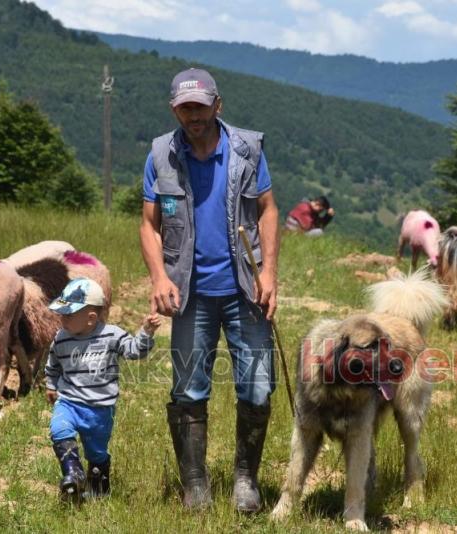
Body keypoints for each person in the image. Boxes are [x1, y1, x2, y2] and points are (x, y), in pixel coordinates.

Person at [139, 67, 280, 512]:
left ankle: (246, 481)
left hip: (246, 288)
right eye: (185, 107)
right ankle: (195, 485)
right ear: (174, 109)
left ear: (218, 105)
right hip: (190, 293)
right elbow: (148, 224)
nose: (193, 115)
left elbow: (268, 211)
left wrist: (270, 273)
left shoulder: (248, 150)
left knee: (256, 387)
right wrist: (159, 277)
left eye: (201, 105)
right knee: (188, 390)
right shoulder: (162, 155)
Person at [45, 277, 161, 501]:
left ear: (91, 318)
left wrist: (146, 332)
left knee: (96, 452)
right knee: (59, 430)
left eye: (68, 314)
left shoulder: (111, 335)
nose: (62, 319)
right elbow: (53, 364)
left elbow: (134, 351)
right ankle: (72, 472)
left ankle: (99, 488)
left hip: (100, 409)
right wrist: (51, 385)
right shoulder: (61, 338)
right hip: (69, 401)